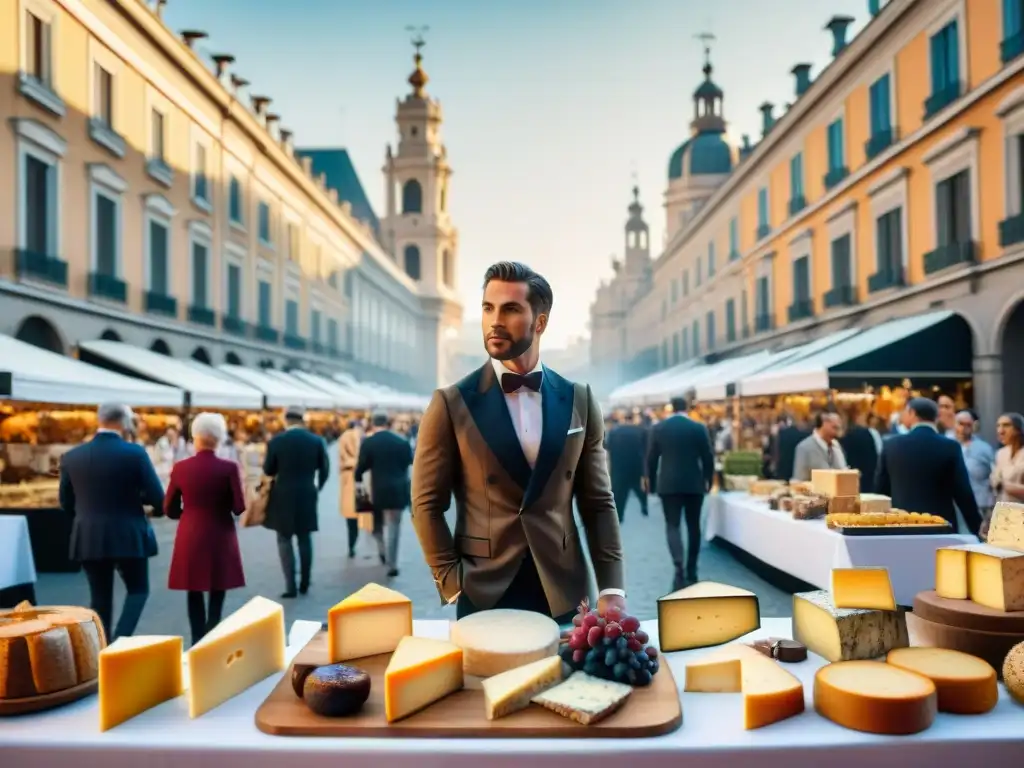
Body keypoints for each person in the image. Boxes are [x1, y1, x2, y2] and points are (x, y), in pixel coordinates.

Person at [411, 261, 624, 623]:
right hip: (484, 589)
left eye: (510, 309)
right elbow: (426, 504)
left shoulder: (580, 399)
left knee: (570, 680)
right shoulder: (451, 402)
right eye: (487, 308)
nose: (495, 320)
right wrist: (452, 581)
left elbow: (598, 503)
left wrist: (612, 589)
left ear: (539, 323)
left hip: (565, 588)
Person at [59, 403, 164, 640]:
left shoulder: (72, 456)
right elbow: (158, 498)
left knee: (99, 597)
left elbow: (66, 502)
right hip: (128, 533)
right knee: (138, 590)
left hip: (88, 534)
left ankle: (101, 649)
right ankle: (120, 640)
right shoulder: (135, 453)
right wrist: (150, 508)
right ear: (125, 422)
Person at [164, 413, 246, 645]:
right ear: (219, 438)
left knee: (194, 587)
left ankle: (197, 639)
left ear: (195, 438)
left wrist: (187, 514)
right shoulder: (229, 468)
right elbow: (239, 507)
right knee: (218, 587)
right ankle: (213, 635)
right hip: (220, 531)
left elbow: (168, 507)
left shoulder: (180, 468)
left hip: (191, 531)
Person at [875, 397, 982, 535]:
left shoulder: (891, 445)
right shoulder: (950, 447)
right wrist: (977, 528)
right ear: (936, 417)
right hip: (940, 527)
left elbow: (880, 491)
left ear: (912, 413)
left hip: (901, 525)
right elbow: (963, 493)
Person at [646, 395, 715, 590]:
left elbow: (651, 458)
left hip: (668, 484)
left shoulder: (658, 428)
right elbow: (708, 456)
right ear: (687, 408)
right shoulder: (698, 427)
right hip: (694, 483)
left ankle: (678, 568)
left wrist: (650, 484)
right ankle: (692, 570)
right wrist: (708, 479)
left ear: (671, 408)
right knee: (694, 526)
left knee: (672, 525)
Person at [262, 406, 330, 598]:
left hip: (282, 494)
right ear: (303, 420)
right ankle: (305, 582)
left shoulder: (276, 441)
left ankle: (290, 585)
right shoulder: (316, 441)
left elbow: (268, 470)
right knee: (304, 538)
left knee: (284, 539)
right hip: (307, 493)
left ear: (286, 420)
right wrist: (318, 487)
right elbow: (324, 468)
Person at [355, 410, 414, 577]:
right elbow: (409, 464)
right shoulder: (402, 442)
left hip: (377, 492)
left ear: (373, 423)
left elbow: (360, 469)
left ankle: (382, 550)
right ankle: (392, 563)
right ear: (388, 423)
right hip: (398, 491)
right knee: (394, 528)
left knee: (377, 526)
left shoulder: (369, 442)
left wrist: (359, 482)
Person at [605, 413, 649, 522]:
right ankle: (644, 505)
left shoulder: (614, 432)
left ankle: (619, 515)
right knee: (639, 488)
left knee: (620, 492)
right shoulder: (641, 430)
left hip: (619, 467)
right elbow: (646, 449)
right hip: (636, 465)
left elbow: (608, 447)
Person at [953, 409, 995, 522]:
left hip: (979, 505)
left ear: (974, 426)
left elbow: (994, 477)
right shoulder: (945, 444)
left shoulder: (984, 448)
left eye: (968, 425)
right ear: (954, 423)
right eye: (960, 423)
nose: (963, 428)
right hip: (953, 506)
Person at [791, 412, 848, 481]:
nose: (837, 432)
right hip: (814, 491)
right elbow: (799, 481)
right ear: (824, 424)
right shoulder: (804, 448)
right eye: (834, 427)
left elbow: (843, 471)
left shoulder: (836, 446)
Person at [338, 418, 364, 558]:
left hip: (349, 480)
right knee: (371, 516)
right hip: (365, 480)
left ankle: (351, 545)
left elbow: (341, 461)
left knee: (351, 519)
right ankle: (382, 549)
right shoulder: (365, 436)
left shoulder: (343, 438)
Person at [839, 411, 880, 493]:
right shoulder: (870, 433)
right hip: (868, 479)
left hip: (848, 480)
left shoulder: (843, 436)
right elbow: (878, 455)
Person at [992, 412, 1024, 506]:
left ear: (1018, 429)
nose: (1000, 431)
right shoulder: (1001, 453)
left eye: (1006, 425)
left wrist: (1006, 486)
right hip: (1005, 512)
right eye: (998, 426)